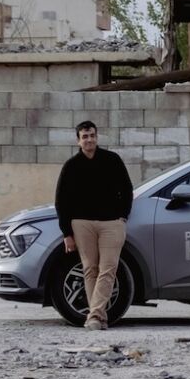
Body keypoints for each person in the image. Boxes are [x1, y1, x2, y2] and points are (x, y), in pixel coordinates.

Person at [54, 119, 134, 329]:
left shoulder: (112, 160)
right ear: (78, 141)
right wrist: (66, 233)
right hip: (82, 224)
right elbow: (61, 201)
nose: (89, 140)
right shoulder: (71, 166)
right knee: (90, 269)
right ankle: (99, 317)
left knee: (108, 268)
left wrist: (123, 217)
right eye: (84, 137)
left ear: (97, 137)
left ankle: (94, 316)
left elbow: (126, 190)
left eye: (92, 136)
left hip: (111, 223)